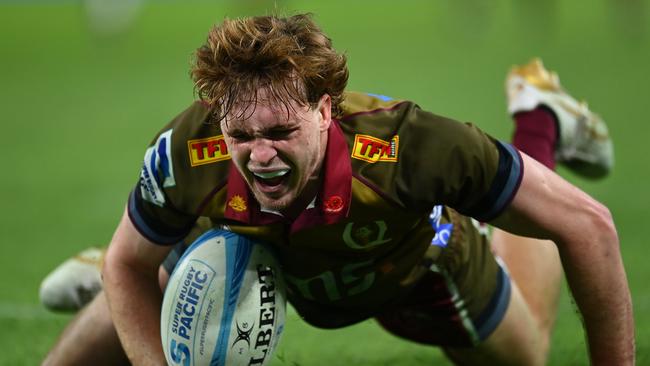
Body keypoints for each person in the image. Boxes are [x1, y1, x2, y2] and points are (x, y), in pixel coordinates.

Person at [42, 13, 634, 366]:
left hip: (418, 261)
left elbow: (588, 226)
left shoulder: (414, 149)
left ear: (325, 111)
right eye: (241, 135)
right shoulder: (186, 151)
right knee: (144, 269)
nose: (261, 152)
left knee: (526, 353)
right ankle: (171, 258)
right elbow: (127, 265)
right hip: (268, 252)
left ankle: (539, 115)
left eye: (280, 131)